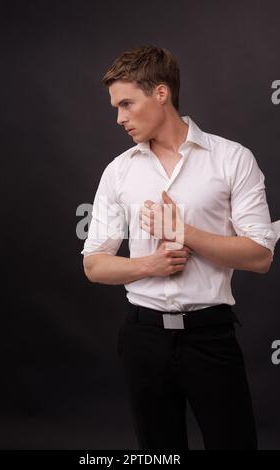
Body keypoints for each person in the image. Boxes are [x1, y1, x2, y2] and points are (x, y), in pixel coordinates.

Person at [81, 45, 279, 450]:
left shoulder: (232, 159)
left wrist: (184, 232)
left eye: (126, 104)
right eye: (116, 107)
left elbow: (260, 256)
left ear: (160, 93)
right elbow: (95, 265)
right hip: (142, 340)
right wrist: (149, 265)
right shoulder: (118, 172)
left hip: (211, 338)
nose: (119, 118)